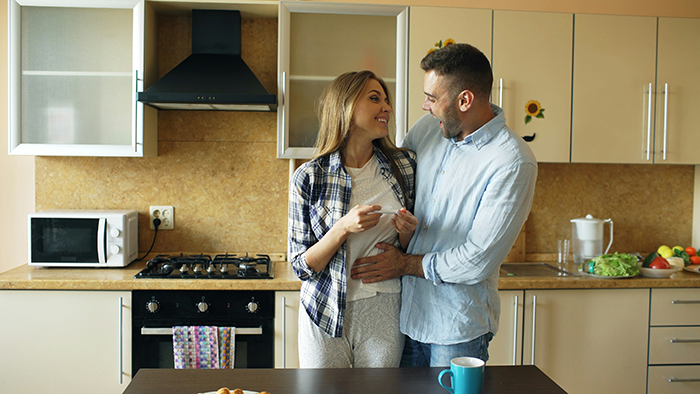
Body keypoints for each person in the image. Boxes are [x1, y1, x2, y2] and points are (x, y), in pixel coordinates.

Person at [350, 43, 538, 367]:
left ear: (465, 100)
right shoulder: (427, 131)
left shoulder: (512, 162)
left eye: (433, 98)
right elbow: (389, 184)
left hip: (456, 328)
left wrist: (404, 264)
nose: (425, 106)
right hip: (406, 318)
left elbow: (477, 259)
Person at [288, 70, 418, 368]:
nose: (387, 107)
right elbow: (301, 267)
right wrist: (343, 226)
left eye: (387, 100)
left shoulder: (404, 166)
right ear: (345, 107)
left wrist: (408, 233)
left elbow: (411, 249)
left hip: (383, 306)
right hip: (324, 307)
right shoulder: (309, 177)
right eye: (375, 99)